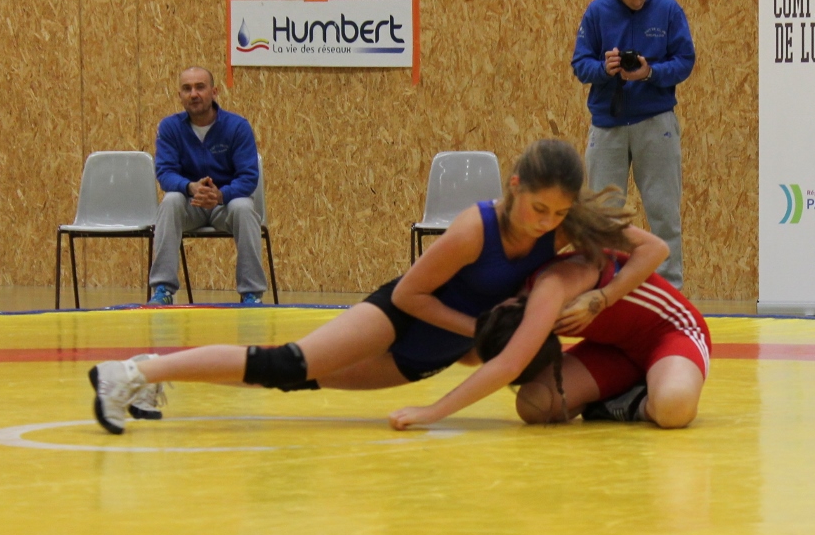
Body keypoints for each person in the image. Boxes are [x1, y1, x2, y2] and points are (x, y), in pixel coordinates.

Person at [88, 139, 669, 434]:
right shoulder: (474, 229)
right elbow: (412, 295)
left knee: (295, 380)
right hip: (397, 319)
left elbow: (653, 250)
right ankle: (129, 373)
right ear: (514, 185)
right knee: (285, 362)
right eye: (538, 208)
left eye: (558, 214)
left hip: (426, 357)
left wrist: (601, 297)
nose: (546, 223)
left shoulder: (561, 226)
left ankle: (151, 372)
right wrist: (476, 332)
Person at [389, 244, 708, 431]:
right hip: (613, 351)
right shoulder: (514, 307)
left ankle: (641, 403)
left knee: (673, 407)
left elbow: (508, 365)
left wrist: (432, 411)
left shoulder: (554, 285)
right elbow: (479, 356)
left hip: (670, 333)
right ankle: (623, 397)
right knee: (534, 405)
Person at [572, 0, 696, 289]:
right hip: (607, 125)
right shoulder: (597, 12)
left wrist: (650, 72)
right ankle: (604, 289)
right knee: (603, 216)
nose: (638, 1)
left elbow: (685, 61)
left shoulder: (668, 9)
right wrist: (604, 68)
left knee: (664, 211)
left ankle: (670, 290)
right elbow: (580, 64)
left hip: (656, 123)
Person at [147, 67, 266, 306]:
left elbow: (248, 177)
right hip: (190, 205)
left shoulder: (237, 126)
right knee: (170, 201)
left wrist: (221, 195)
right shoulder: (170, 127)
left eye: (200, 87)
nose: (194, 94)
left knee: (244, 207)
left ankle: (251, 294)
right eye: (187, 89)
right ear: (179, 95)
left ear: (214, 92)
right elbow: (165, 173)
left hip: (226, 206)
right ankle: (162, 290)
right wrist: (190, 187)